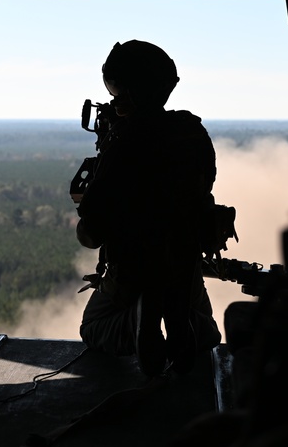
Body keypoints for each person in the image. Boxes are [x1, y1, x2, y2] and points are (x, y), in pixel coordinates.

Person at [76, 40, 222, 377]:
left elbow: (92, 232)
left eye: (116, 92)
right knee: (208, 330)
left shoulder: (126, 143)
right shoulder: (191, 132)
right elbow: (203, 190)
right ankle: (181, 320)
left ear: (133, 91)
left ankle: (143, 314)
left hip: (133, 272)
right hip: (184, 266)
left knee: (94, 326)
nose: (113, 100)